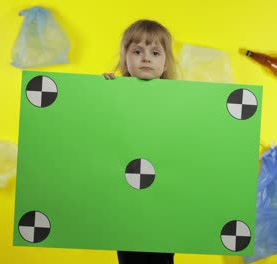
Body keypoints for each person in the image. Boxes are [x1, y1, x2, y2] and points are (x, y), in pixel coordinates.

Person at [103, 19, 177, 264]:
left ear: (165, 62)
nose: (146, 58)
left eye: (155, 52)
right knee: (129, 253)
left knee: (162, 255)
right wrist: (101, 92)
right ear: (125, 58)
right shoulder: (114, 92)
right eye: (137, 51)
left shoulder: (178, 101)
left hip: (164, 199)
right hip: (126, 199)